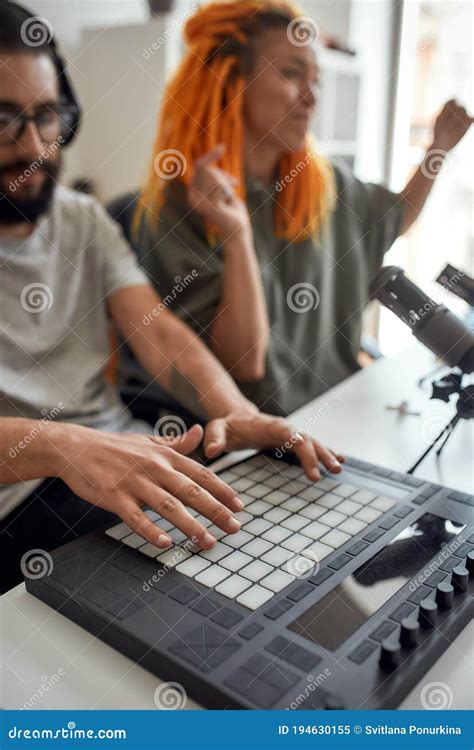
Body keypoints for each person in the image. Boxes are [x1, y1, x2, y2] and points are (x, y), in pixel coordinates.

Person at [0, 2, 344, 593]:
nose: (34, 146)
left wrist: (235, 410)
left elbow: (156, 330)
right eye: (3, 120)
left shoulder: (82, 220)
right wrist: (62, 445)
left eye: (48, 118)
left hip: (116, 447)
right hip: (19, 499)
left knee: (269, 531)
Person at [126, 0, 473, 417]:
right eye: (291, 73)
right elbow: (244, 368)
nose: (311, 97)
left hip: (339, 410)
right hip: (254, 435)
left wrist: (437, 150)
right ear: (232, 80)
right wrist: (237, 240)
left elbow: (395, 217)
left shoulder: (326, 184)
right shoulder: (179, 208)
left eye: (316, 80)